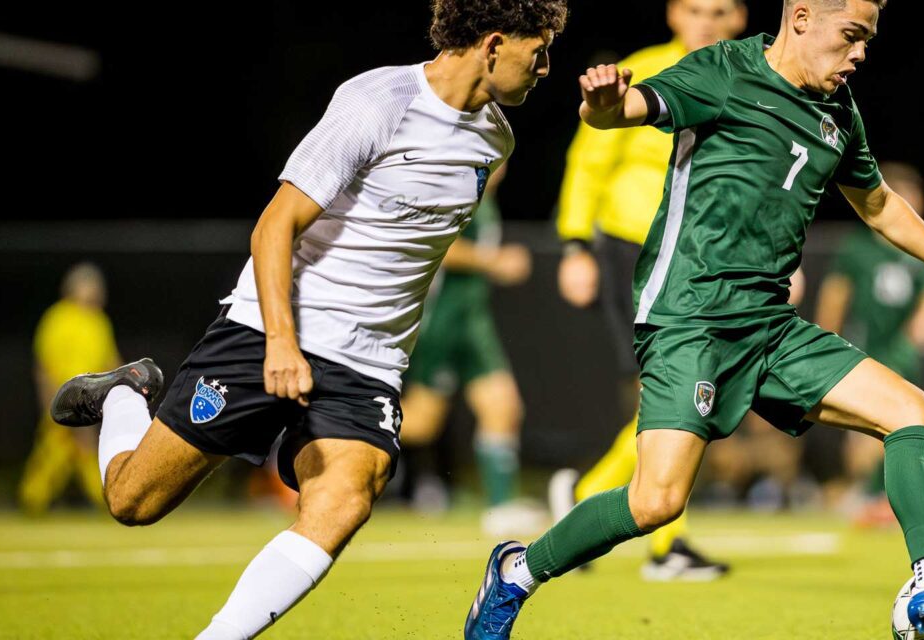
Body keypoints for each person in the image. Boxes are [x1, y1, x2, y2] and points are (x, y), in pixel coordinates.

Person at [464, 1, 924, 639]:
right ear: (801, 19)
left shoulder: (836, 109)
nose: (859, 54)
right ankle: (518, 571)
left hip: (770, 324)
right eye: (851, 36)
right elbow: (618, 114)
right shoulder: (722, 70)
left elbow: (878, 204)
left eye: (867, 42)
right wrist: (601, 102)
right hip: (692, 317)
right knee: (656, 501)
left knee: (914, 412)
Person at [47, 2, 567, 638]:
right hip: (270, 329)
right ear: (492, 45)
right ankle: (128, 394)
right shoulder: (378, 101)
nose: (546, 68)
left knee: (348, 494)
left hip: (368, 363)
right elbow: (274, 227)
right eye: (537, 51)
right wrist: (282, 345)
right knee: (133, 503)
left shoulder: (495, 139)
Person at [548, 0, 747, 581]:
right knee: (670, 391)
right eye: (695, 8)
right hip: (631, 249)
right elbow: (588, 159)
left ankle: (590, 492)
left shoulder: (749, 77)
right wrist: (575, 245)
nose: (706, 20)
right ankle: (666, 546)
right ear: (671, 14)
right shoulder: (643, 71)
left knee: (695, 392)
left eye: (720, 10)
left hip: (702, 256)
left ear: (738, 18)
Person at [398, 165, 545, 535]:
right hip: (444, 323)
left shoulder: (485, 200)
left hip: (473, 324)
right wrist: (493, 261)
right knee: (419, 424)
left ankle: (500, 507)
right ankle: (323, 434)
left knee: (504, 407)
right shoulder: (455, 192)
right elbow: (435, 245)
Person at [815, 161, 924, 526]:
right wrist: (825, 339)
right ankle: (870, 494)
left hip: (900, 351)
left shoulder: (923, 249)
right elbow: (836, 296)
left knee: (898, 421)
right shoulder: (857, 247)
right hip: (860, 348)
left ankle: (880, 499)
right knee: (863, 437)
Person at [19, 263, 114, 516]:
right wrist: (49, 397)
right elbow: (44, 363)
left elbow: (109, 361)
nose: (94, 290)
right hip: (61, 395)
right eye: (88, 284)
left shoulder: (98, 321)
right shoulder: (57, 318)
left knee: (83, 450)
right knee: (55, 450)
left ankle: (106, 499)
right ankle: (33, 498)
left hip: (89, 397)